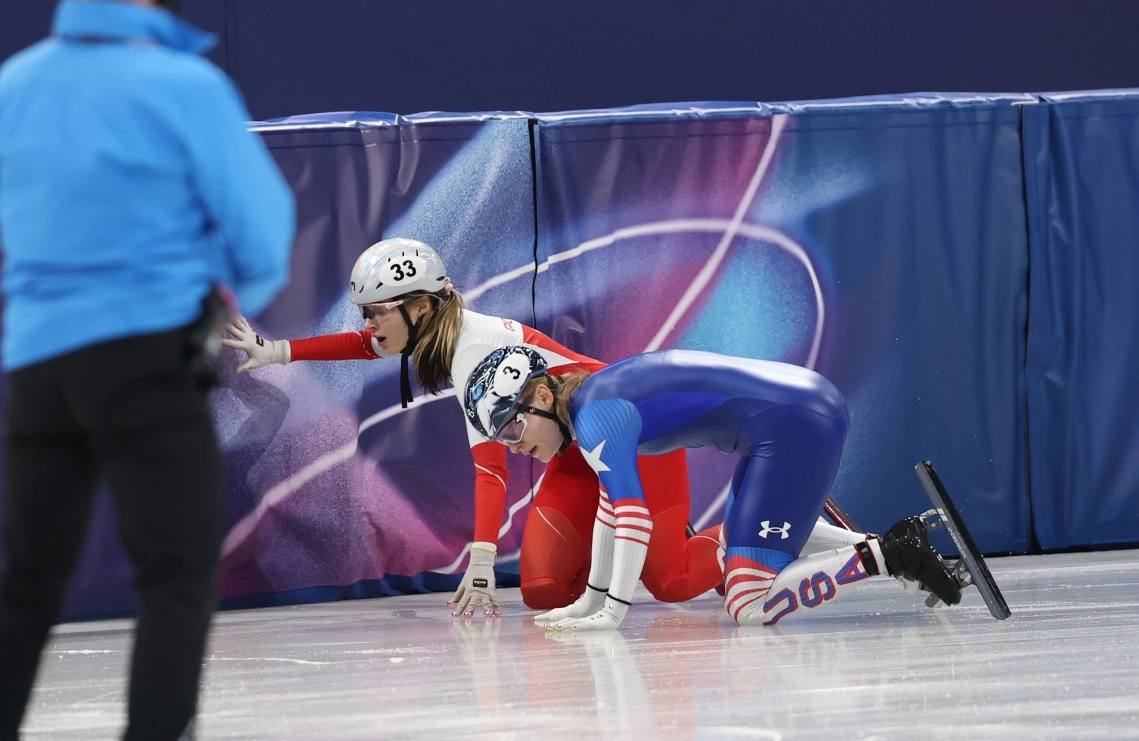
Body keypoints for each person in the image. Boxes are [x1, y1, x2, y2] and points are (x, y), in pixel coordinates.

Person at [0, 0, 295, 740]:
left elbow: (4, 196)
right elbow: (262, 240)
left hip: (39, 371)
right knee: (175, 578)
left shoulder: (15, 82)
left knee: (25, 581)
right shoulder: (189, 88)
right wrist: (211, 283)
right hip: (148, 366)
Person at [222, 238, 729, 615]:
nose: (369, 325)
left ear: (420, 307)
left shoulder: (474, 356)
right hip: (574, 452)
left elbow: (492, 475)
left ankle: (760, 535)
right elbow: (366, 344)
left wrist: (482, 562)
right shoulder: (435, 327)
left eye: (377, 313)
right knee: (546, 590)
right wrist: (278, 352)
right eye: (365, 313)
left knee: (672, 581)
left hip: (629, 434)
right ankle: (650, 535)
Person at [462, 346, 965, 629]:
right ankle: (897, 549)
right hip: (787, 418)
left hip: (793, 425)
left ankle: (893, 555)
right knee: (740, 539)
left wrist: (612, 613)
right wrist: (589, 601)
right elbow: (609, 513)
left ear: (544, 396)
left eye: (511, 428)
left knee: (747, 601)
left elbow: (635, 520)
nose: (511, 446)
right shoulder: (590, 405)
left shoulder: (595, 416)